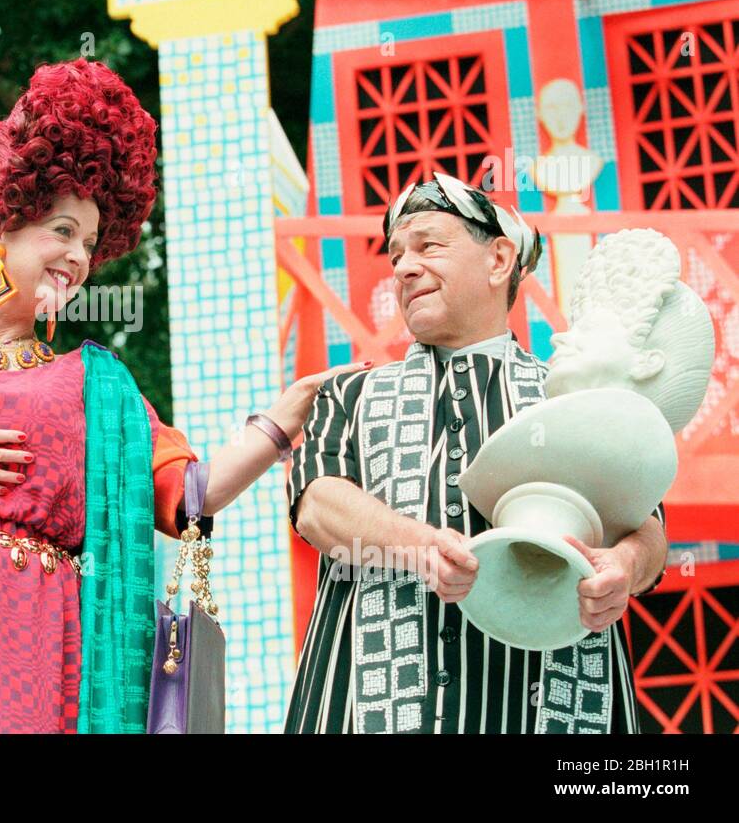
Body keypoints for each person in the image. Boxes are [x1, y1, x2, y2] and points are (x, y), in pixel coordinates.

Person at [0, 59, 359, 733]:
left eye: (89, 242)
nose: (79, 257)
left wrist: (281, 424)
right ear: (1, 226)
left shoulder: (94, 387)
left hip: (25, 658)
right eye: (61, 232)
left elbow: (190, 495)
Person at [284, 173, 668, 734]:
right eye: (396, 255)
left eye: (428, 245)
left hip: (539, 706)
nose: (404, 267)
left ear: (498, 260)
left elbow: (650, 528)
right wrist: (417, 545)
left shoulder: (575, 397)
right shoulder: (350, 392)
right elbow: (317, 505)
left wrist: (624, 567)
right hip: (367, 705)